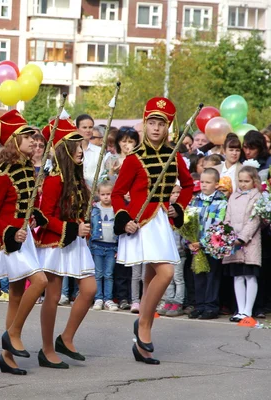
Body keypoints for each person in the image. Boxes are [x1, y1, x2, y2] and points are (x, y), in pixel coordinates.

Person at [112, 97, 193, 365]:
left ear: (168, 127)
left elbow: (189, 185)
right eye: (152, 123)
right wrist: (124, 218)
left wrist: (178, 207)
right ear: (145, 124)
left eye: (162, 124)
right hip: (141, 222)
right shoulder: (134, 159)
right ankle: (144, 325)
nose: (156, 128)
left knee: (153, 278)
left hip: (161, 221)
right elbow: (117, 193)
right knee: (166, 272)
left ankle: (142, 343)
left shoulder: (175, 155)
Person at [0, 110, 47, 376]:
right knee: (39, 282)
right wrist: (10, 232)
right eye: (27, 136)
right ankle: (14, 333)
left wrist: (35, 216)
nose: (34, 140)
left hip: (24, 237)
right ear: (13, 142)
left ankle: (7, 357)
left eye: (33, 136)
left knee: (16, 296)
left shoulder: (28, 167)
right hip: (10, 241)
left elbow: (24, 205)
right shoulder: (4, 173)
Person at [36, 119, 96, 369]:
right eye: (76, 146)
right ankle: (47, 349)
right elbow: (43, 216)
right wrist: (72, 227)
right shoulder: (52, 180)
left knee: (90, 289)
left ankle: (66, 338)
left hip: (76, 242)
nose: (81, 150)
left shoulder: (79, 179)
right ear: (64, 150)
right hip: (55, 242)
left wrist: (84, 222)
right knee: (53, 296)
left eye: (81, 146)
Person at [223, 166, 262, 324]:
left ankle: (248, 310)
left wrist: (242, 237)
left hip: (249, 242)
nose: (243, 184)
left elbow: (255, 220)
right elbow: (228, 217)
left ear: (254, 181)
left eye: (247, 181)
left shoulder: (257, 197)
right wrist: (226, 234)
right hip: (234, 242)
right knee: (238, 276)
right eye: (240, 181)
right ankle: (240, 310)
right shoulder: (233, 196)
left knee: (249, 275)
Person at [90, 180, 119, 311]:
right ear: (98, 195)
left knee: (108, 274)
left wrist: (119, 248)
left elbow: (119, 229)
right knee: (98, 273)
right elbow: (90, 226)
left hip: (112, 246)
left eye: (109, 194)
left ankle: (108, 299)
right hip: (97, 245)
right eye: (103, 194)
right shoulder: (95, 209)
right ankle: (98, 298)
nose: (106, 197)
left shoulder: (116, 209)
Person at [159, 185, 186, 317]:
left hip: (179, 252)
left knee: (178, 279)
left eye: (177, 193)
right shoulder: (163, 210)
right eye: (172, 193)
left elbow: (185, 232)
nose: (175, 196)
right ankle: (168, 300)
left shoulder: (182, 210)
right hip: (166, 252)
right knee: (168, 279)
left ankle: (178, 302)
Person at [76, 114, 100, 188]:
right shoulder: (71, 151)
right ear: (77, 129)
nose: (88, 130)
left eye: (90, 127)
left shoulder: (99, 151)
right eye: (84, 127)